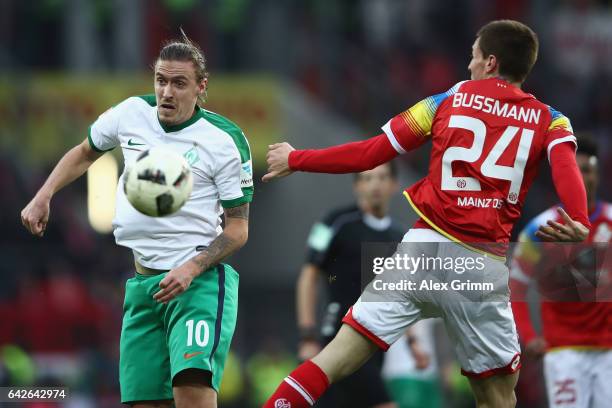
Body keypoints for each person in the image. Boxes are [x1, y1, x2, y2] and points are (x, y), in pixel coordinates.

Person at [261, 20, 590, 408]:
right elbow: (566, 168)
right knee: (499, 397)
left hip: (421, 251)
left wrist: (297, 158)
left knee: (333, 359)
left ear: (490, 61)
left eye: (473, 57)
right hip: (478, 265)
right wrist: (580, 220)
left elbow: (373, 152)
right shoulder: (552, 119)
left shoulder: (445, 101)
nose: (468, 66)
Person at [20, 32, 253, 408]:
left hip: (198, 287)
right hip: (143, 286)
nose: (167, 92)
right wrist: (43, 195)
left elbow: (238, 229)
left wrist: (192, 268)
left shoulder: (225, 141)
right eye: (161, 80)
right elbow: (83, 153)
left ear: (201, 87)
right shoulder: (130, 114)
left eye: (179, 83)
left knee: (191, 396)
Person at [298, 163, 428, 408]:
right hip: (339, 333)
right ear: (357, 185)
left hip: (376, 341)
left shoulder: (398, 236)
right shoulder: (334, 223)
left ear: (393, 184)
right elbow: (308, 275)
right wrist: (307, 334)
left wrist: (414, 342)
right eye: (367, 179)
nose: (374, 185)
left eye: (381, 178)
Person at [510, 136, 611, 408]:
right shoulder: (539, 229)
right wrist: (530, 336)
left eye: (587, 170)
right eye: (574, 170)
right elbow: (516, 286)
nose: (581, 177)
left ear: (597, 175)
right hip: (563, 351)